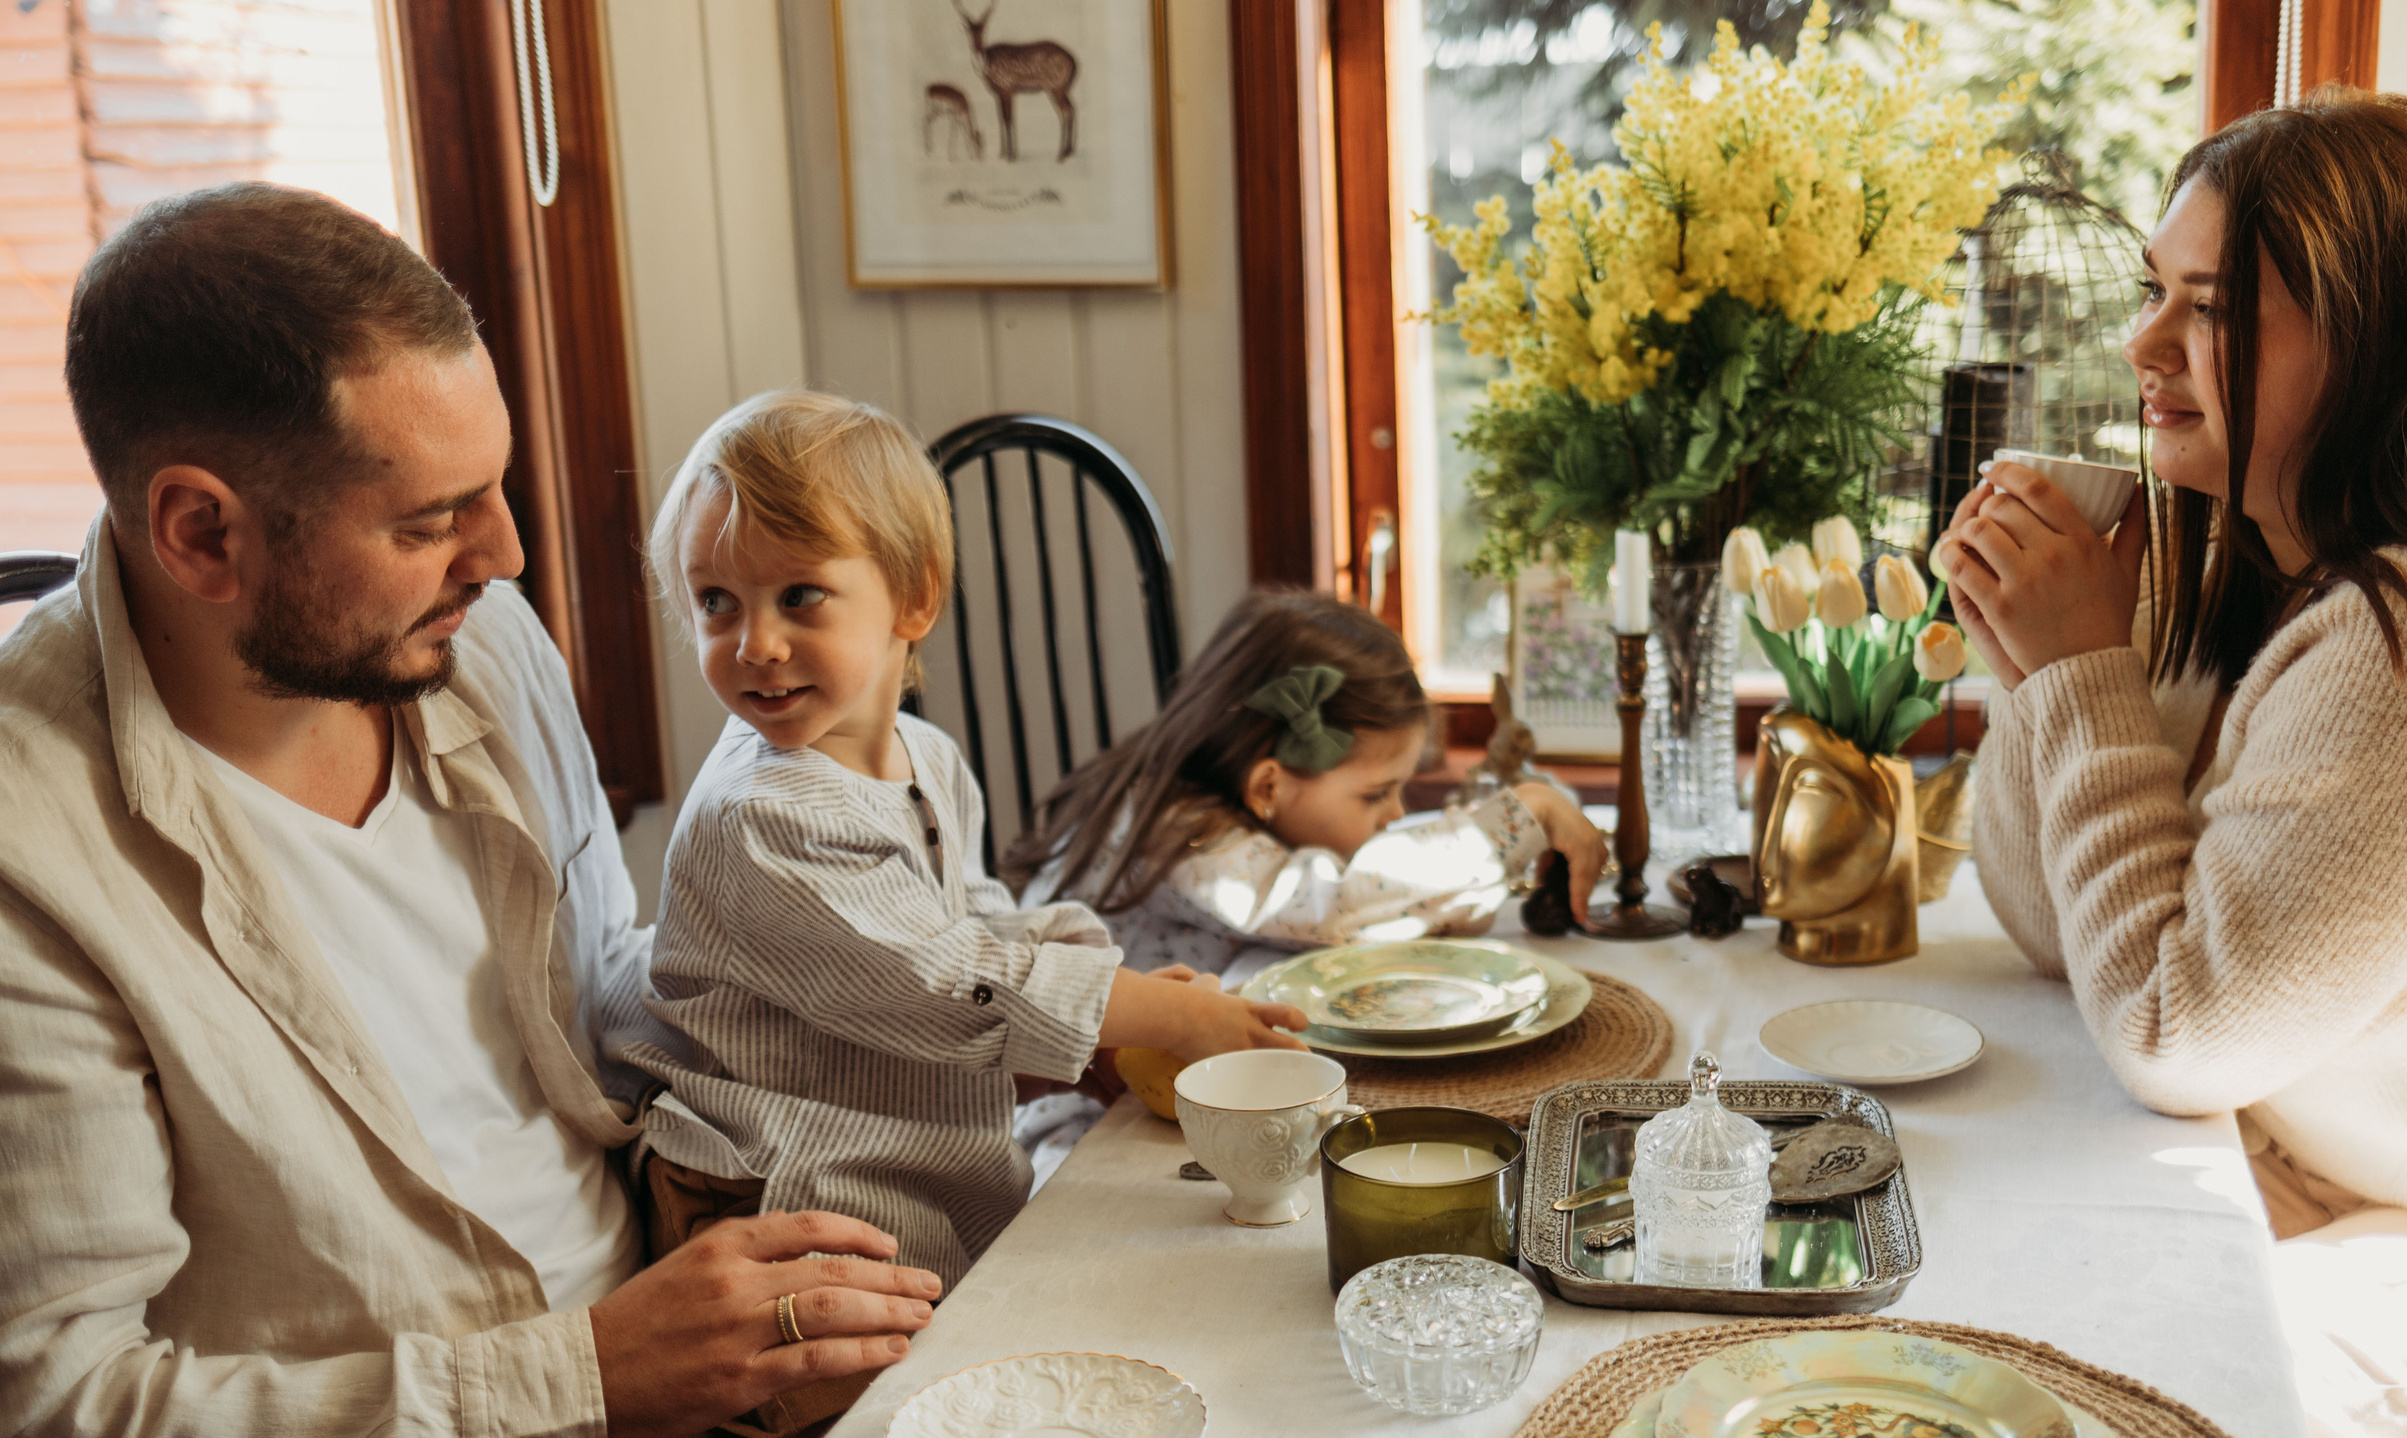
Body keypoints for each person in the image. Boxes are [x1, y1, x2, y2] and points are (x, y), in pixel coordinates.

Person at [0, 183, 939, 1437]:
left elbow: (606, 979)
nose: (504, 557)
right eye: (431, 521)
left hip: (696, 1342)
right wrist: (592, 1373)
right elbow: (64, 1398)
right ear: (203, 533)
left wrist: (923, 1018)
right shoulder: (31, 850)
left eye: (492, 490)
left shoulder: (474, 640)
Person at [1942, 92, 2407, 1436]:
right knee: (1950, 1269)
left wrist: (2080, 675)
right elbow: (2060, 932)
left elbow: (2176, 1031)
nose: (2143, 344)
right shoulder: (2259, 557)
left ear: (2380, 340)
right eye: (2153, 291)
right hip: (2294, 1151)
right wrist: (2033, 672)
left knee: (2089, 1388)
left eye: (2210, 309)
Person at [620, 394, 1309, 1333]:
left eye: (799, 596)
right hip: (786, 1197)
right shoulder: (761, 816)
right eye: (716, 602)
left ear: (915, 597)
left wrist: (1108, 1007)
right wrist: (1171, 1014)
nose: (757, 645)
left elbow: (974, 915)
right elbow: (946, 979)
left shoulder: (927, 756)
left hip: (904, 1152)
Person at [1006, 590, 1611, 983]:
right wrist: (1511, 824)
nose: (1394, 814)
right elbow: (1334, 904)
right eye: (1375, 794)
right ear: (1268, 787)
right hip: (1090, 1115)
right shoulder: (1174, 832)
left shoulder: (1219, 800)